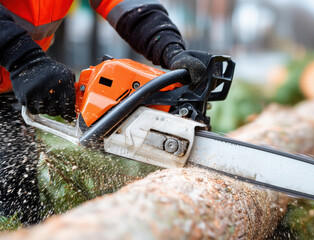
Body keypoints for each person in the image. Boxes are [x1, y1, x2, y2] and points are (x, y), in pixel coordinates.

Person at [0, 0, 212, 225]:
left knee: (17, 187)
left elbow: (128, 5)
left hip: (9, 82)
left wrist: (169, 47)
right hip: (17, 64)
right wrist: (24, 58)